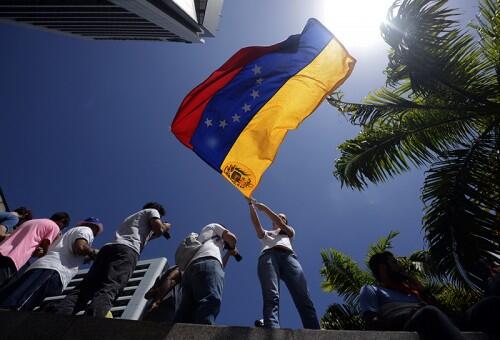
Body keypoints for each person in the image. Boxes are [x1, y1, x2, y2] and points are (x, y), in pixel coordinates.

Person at [44, 202, 171, 317]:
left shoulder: (132, 218)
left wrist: (159, 230)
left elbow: (149, 235)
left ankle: (59, 317)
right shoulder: (152, 212)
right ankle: (92, 323)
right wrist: (165, 226)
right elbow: (158, 229)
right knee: (112, 286)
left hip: (109, 249)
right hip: (127, 251)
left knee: (85, 288)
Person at [0, 217, 103, 311]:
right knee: (19, 306)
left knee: (13, 300)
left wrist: (87, 257)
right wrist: (95, 253)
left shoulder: (68, 234)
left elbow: (73, 252)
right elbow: (80, 247)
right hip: (53, 270)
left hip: (45, 268)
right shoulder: (87, 230)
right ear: (94, 228)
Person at [247, 198, 320, 329]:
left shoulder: (289, 231)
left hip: (289, 257)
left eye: (282, 218)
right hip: (268, 256)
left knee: (303, 296)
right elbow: (257, 225)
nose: (280, 219)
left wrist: (264, 208)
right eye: (278, 217)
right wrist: (250, 204)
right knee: (271, 296)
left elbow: (279, 222)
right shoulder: (267, 234)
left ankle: (315, 332)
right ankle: (273, 330)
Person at [360, 251, 465, 340]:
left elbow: (445, 313)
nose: (400, 266)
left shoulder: (413, 292)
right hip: (411, 324)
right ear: (383, 268)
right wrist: (408, 316)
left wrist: (423, 291)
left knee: (479, 310)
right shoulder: (372, 290)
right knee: (429, 312)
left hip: (436, 320)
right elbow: (373, 323)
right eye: (394, 263)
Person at [174, 223, 238, 325]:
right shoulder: (214, 226)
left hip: (190, 269)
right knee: (210, 301)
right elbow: (232, 239)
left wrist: (229, 253)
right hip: (208, 262)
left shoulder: (209, 241)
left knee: (186, 310)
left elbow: (220, 265)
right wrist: (232, 247)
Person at [0, 212, 69, 287]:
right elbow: (46, 245)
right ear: (62, 221)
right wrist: (44, 253)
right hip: (13, 259)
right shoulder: (55, 227)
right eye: (64, 226)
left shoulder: (32, 222)